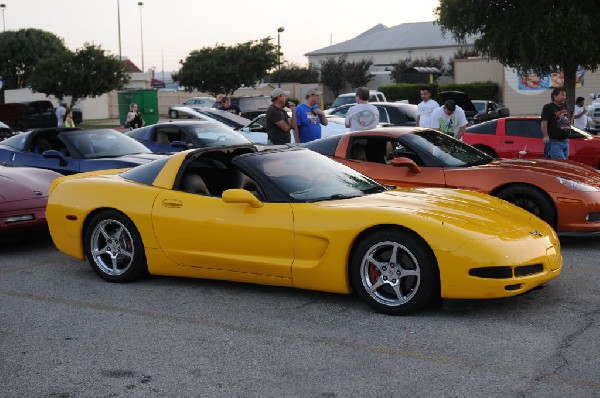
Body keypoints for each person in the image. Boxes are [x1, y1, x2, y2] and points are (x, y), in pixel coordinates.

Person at [541, 87, 570, 160]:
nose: (564, 97)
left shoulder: (565, 106)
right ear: (555, 96)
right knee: (562, 165)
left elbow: (568, 119)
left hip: (565, 142)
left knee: (565, 165)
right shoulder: (548, 107)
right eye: (562, 95)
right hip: (555, 142)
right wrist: (545, 136)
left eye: (565, 95)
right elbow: (544, 123)